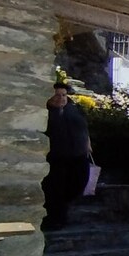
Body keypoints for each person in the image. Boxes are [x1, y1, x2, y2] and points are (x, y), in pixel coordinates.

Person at [42, 83, 91, 230]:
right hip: (56, 158)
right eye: (57, 95)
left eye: (63, 95)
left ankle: (63, 214)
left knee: (78, 184)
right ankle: (56, 220)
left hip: (78, 156)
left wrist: (88, 143)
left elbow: (84, 127)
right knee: (56, 189)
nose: (61, 98)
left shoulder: (73, 109)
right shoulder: (45, 112)